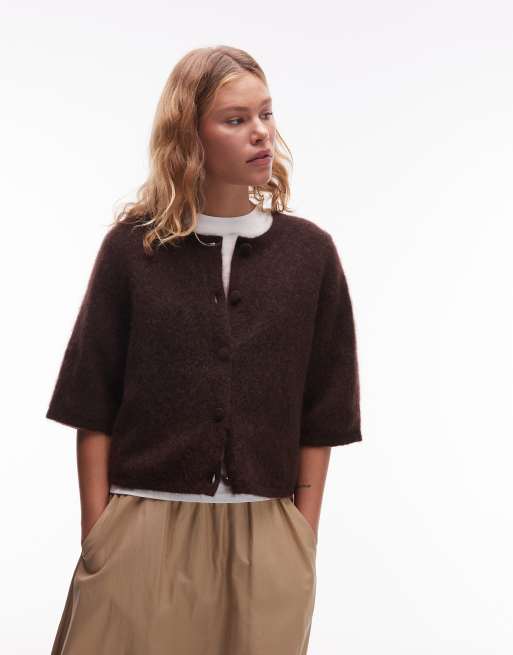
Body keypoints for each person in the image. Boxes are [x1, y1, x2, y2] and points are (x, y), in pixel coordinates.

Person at [46, 45, 363, 655]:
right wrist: (99, 536)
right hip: (141, 526)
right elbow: (91, 404)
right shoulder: (132, 251)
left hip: (267, 531)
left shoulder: (310, 256)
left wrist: (301, 535)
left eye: (265, 114)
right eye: (235, 119)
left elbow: (324, 412)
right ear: (189, 136)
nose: (260, 133)